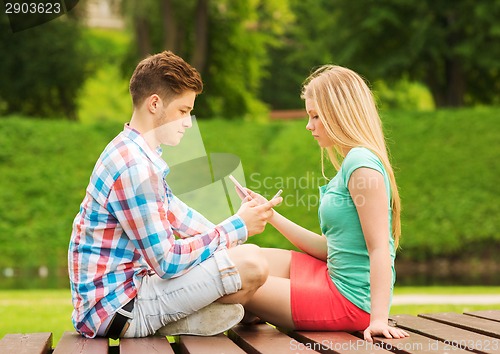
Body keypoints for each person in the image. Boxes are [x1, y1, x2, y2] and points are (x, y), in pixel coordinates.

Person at [68, 50, 282, 339]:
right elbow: (167, 261)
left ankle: (211, 314)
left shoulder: (137, 153)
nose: (188, 122)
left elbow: (179, 216)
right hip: (119, 309)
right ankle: (183, 319)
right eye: (183, 111)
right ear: (154, 104)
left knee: (248, 258)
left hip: (129, 292)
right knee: (252, 265)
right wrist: (236, 228)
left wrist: (239, 224)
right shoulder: (135, 168)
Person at [239, 65, 410, 342]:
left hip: (348, 300)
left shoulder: (361, 165)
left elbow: (379, 248)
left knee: (232, 281)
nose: (309, 125)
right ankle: (248, 309)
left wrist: (378, 319)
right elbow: (330, 248)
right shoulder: (351, 164)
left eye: (316, 116)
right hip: (329, 275)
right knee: (244, 258)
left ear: (340, 113)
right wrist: (271, 216)